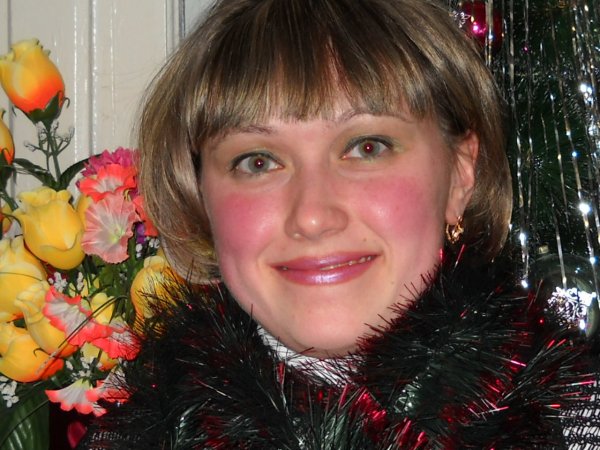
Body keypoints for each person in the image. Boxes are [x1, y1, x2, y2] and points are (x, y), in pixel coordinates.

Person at [81, 0, 600, 448]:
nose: (312, 215)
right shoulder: (129, 435)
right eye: (258, 161)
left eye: (366, 147)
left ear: (461, 174)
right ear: (200, 198)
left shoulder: (578, 423)